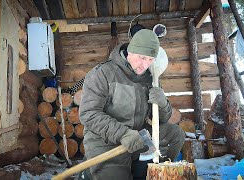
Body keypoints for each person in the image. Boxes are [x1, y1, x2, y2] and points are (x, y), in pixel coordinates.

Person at [79, 29, 185, 180]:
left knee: (176, 134)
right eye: (142, 58)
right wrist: (123, 134)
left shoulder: (151, 78)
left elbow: (161, 118)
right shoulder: (102, 73)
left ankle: (154, 172)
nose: (145, 65)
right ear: (130, 51)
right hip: (106, 141)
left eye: (150, 59)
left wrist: (162, 103)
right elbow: (88, 114)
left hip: (139, 135)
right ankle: (90, 173)